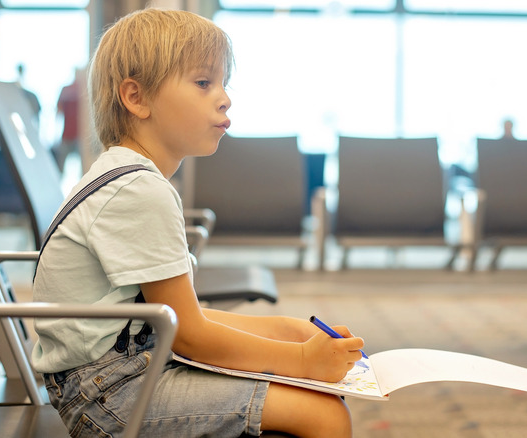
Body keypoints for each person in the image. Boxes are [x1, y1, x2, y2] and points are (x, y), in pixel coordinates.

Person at [31, 8, 363, 438]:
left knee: (300, 357)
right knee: (325, 415)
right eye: (203, 83)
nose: (224, 98)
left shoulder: (130, 177)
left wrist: (294, 334)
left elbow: (180, 318)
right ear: (136, 98)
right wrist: (301, 361)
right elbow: (188, 335)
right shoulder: (138, 190)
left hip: (128, 366)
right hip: (109, 397)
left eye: (223, 84)